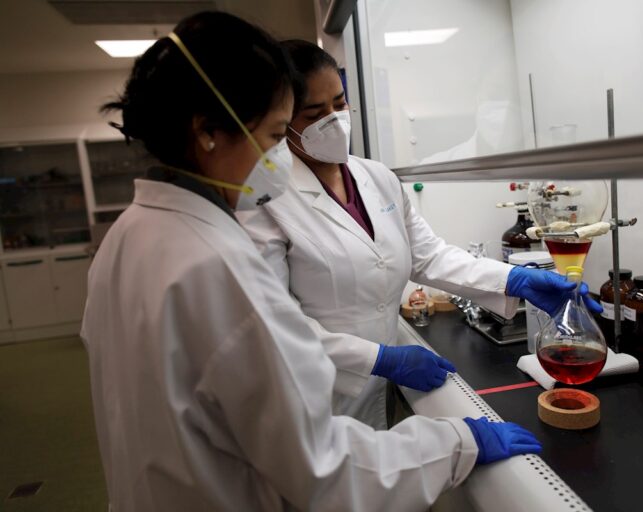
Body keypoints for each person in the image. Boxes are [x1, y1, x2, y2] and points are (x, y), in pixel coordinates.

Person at [82, 12, 542, 512]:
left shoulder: (129, 235)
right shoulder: (217, 265)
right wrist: (457, 444)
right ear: (208, 132)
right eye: (275, 134)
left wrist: (514, 279)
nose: (281, 153)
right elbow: (322, 469)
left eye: (338, 105)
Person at [238, 40, 602, 430]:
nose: (334, 119)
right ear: (284, 121)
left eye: (339, 103)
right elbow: (276, 323)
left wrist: (514, 279)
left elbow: (428, 255)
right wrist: (378, 359)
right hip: (314, 395)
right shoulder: (265, 201)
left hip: (377, 390)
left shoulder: (376, 177)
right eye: (315, 113)